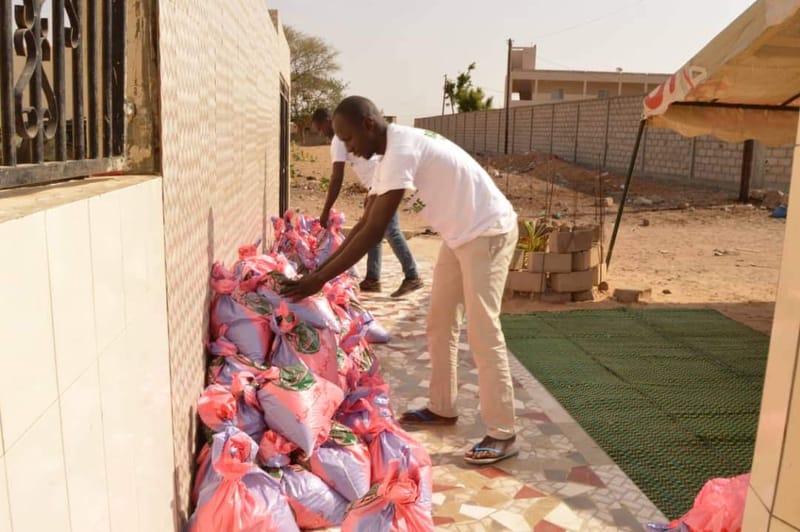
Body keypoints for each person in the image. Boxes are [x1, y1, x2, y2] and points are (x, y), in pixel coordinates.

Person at [283, 96, 519, 465]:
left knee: (482, 330)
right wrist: (319, 270)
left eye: (349, 139)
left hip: (488, 231)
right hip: (459, 236)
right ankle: (443, 408)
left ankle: (503, 431)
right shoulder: (386, 155)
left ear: (368, 125)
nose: (349, 148)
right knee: (439, 323)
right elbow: (364, 222)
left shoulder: (401, 150)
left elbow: (375, 231)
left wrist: (318, 280)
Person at [311, 108, 423, 298]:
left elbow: (336, 177)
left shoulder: (339, 141)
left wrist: (326, 210)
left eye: (320, 127)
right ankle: (372, 278)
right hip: (376, 185)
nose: (321, 133)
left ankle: (412, 275)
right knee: (373, 232)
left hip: (384, 185)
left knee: (390, 230)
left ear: (328, 120)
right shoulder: (341, 140)